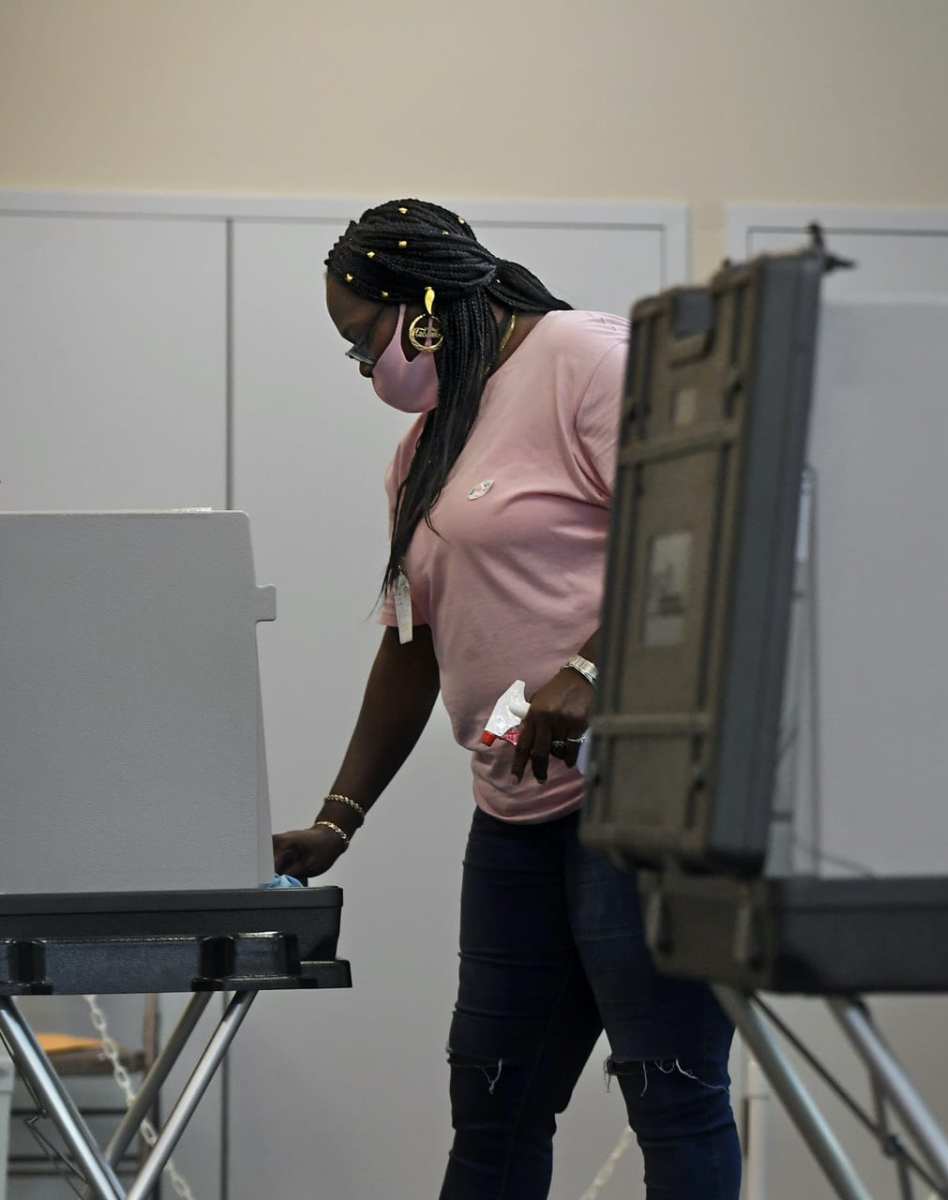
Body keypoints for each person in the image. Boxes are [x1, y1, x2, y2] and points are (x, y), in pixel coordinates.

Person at [272, 198, 741, 1199]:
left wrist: (599, 673)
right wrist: (336, 819)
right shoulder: (426, 450)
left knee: (674, 1098)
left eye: (365, 339)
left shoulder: (584, 360)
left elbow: (704, 545)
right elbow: (413, 643)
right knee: (492, 1111)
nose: (367, 368)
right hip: (515, 817)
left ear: (426, 305)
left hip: (639, 813)